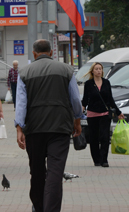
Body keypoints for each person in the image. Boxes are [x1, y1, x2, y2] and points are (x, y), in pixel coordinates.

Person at [15, 39, 83, 212]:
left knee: (37, 172)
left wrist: (19, 128)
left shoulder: (24, 72)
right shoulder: (66, 70)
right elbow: (75, 99)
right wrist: (77, 120)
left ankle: (38, 207)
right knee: (55, 172)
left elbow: (21, 104)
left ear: (34, 53)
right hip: (60, 127)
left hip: (34, 128)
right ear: (52, 52)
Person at [81, 62, 124, 168]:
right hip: (92, 114)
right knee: (94, 138)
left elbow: (110, 99)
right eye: (96, 69)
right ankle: (96, 159)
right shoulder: (89, 84)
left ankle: (104, 159)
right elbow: (85, 100)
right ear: (92, 71)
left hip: (105, 114)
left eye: (100, 69)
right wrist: (80, 110)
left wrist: (118, 112)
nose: (99, 71)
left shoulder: (106, 83)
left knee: (104, 137)